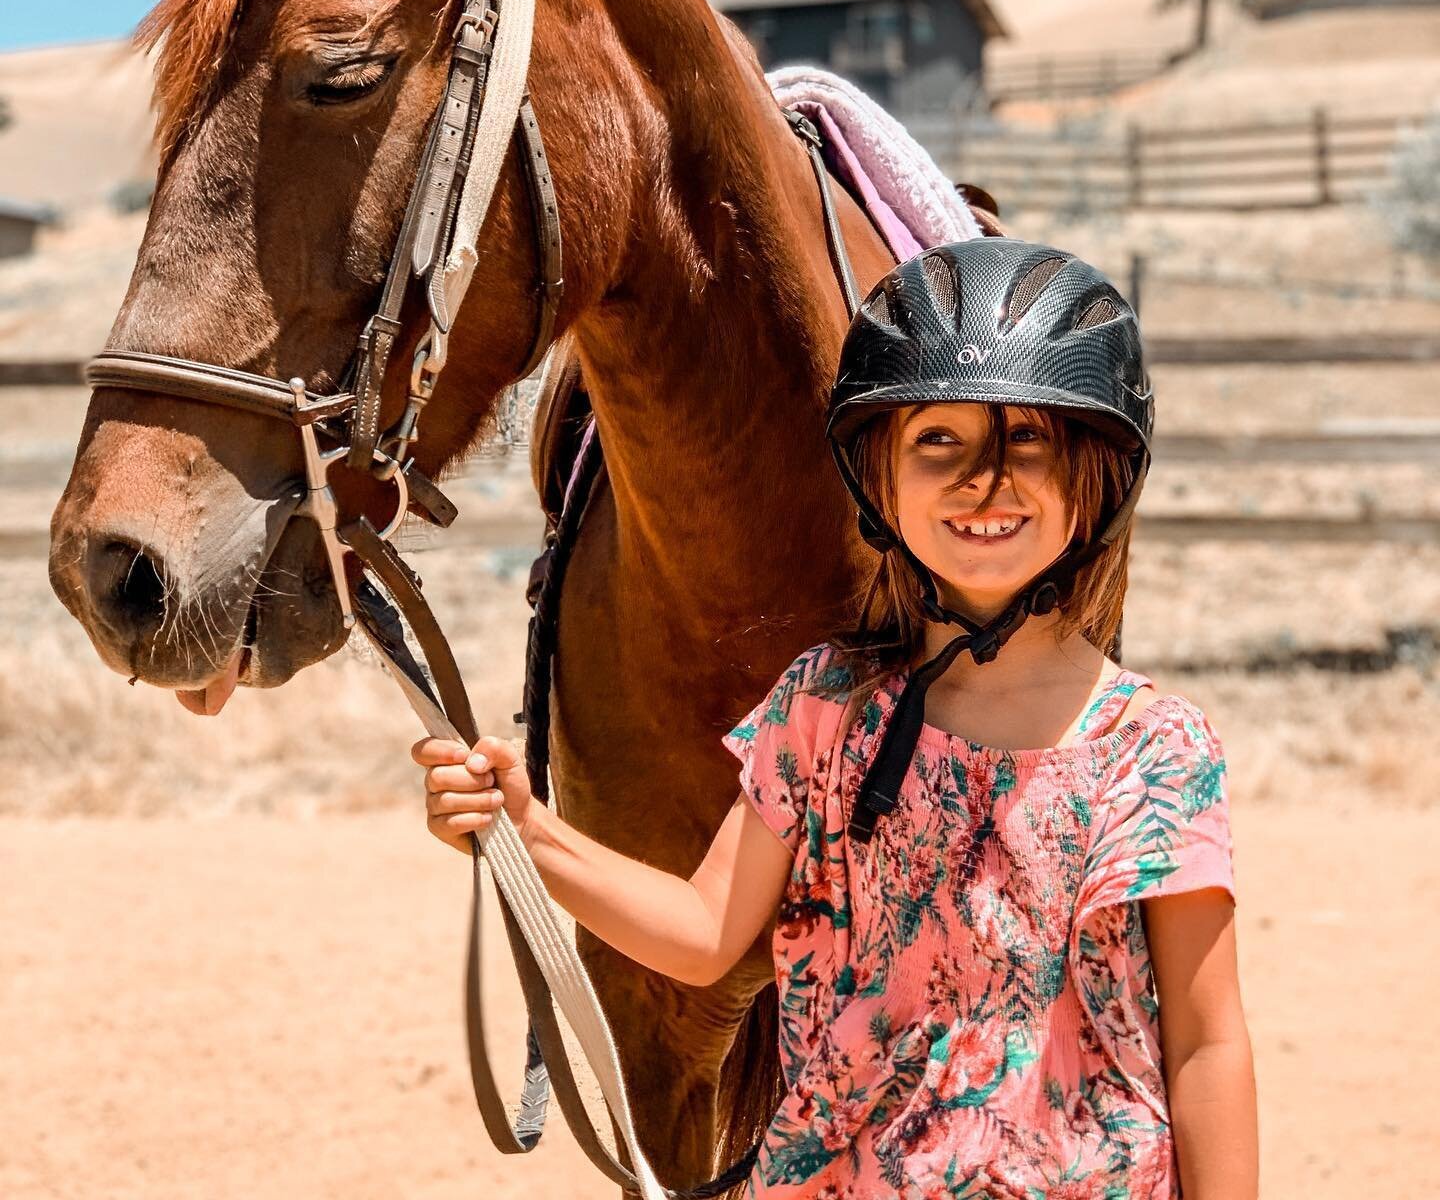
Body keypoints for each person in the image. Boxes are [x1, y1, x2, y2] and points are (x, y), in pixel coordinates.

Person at [413, 239, 1258, 1198]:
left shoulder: (1156, 751)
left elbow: (1206, 1044)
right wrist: (525, 832)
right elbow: (700, 933)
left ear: (1099, 476)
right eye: (939, 441)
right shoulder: (820, 712)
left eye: (1029, 439)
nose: (986, 481)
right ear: (878, 478)